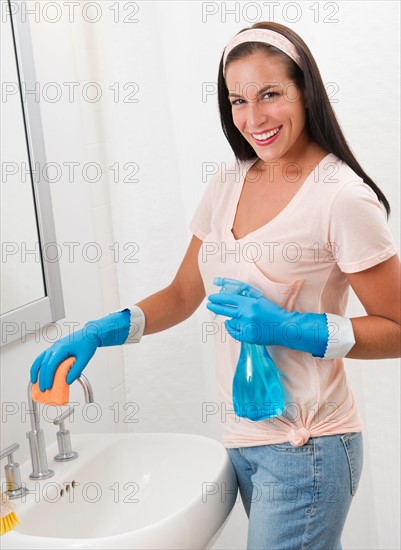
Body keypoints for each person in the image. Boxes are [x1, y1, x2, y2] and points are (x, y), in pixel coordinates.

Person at [31, 21, 400, 550]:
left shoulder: (341, 197)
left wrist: (295, 328)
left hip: (308, 445)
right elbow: (185, 293)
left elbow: (397, 328)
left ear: (305, 92)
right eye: (238, 100)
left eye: (271, 94)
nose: (254, 118)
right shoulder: (229, 181)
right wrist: (103, 328)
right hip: (244, 438)